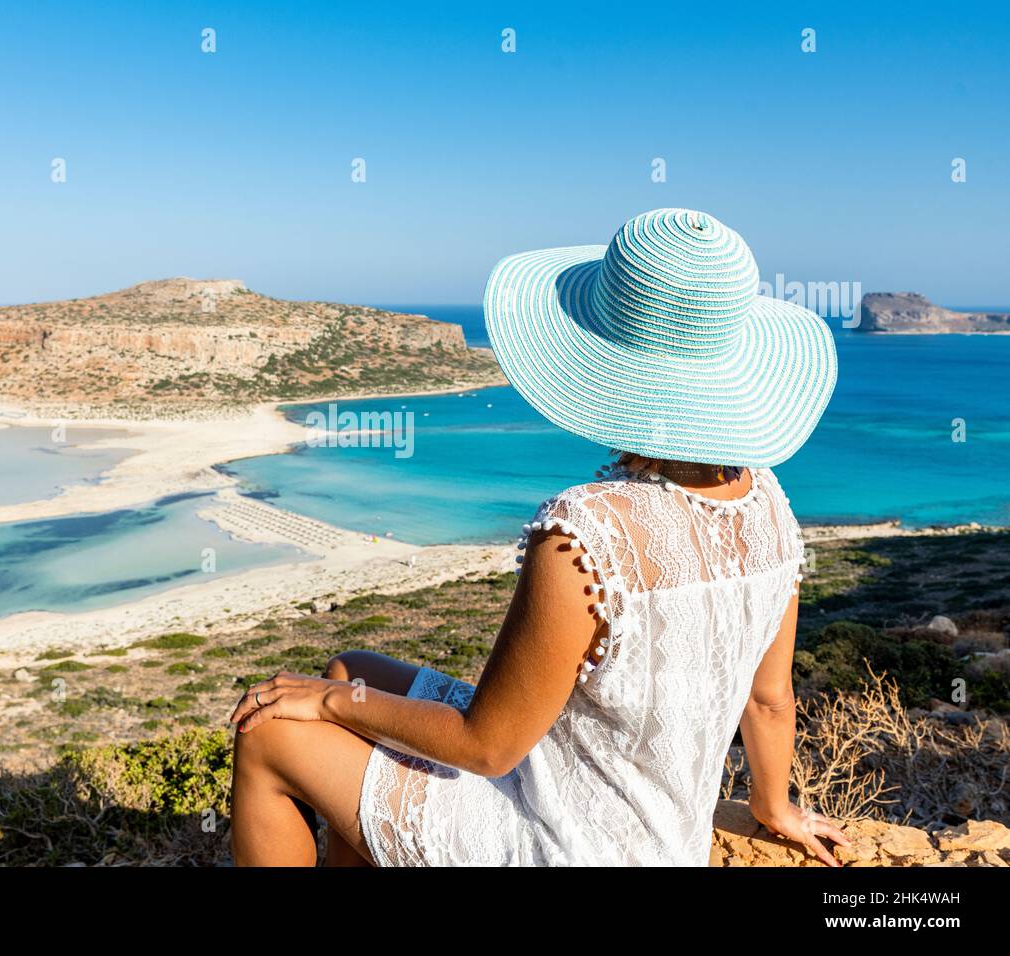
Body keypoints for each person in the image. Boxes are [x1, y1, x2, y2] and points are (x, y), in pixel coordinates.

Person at [228, 208, 848, 866]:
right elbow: (769, 697)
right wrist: (773, 808)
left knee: (269, 733)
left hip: (556, 843)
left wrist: (326, 702)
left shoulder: (589, 528)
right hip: (666, 845)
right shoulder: (769, 505)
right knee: (356, 670)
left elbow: (487, 745)